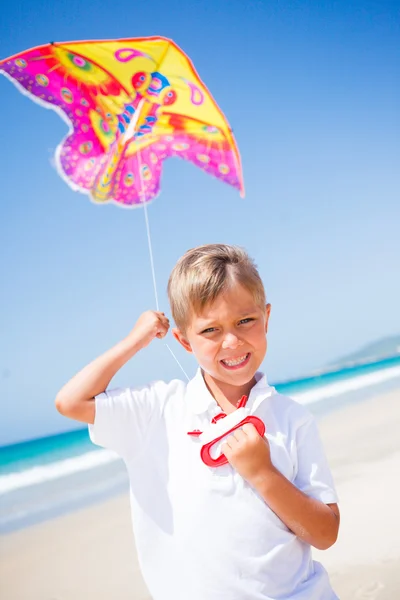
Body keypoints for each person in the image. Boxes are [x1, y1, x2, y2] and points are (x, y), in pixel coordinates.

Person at [56, 243, 339, 600]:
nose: (232, 341)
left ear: (266, 318)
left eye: (245, 321)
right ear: (183, 340)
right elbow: (70, 401)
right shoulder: (158, 410)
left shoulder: (293, 419)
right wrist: (136, 340)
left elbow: (326, 534)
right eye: (210, 330)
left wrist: (263, 473)